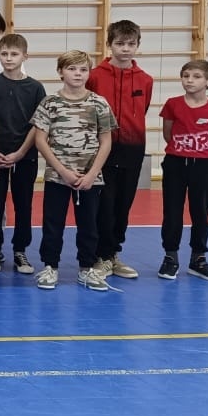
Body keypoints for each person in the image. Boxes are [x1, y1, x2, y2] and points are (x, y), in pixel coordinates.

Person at [31, 50, 117, 291]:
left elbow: (106, 141)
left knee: (89, 225)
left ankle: (86, 268)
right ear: (60, 72)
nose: (78, 74)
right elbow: (40, 140)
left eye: (83, 69)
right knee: (52, 223)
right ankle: (50, 266)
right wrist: (62, 171)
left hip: (90, 178)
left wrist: (92, 174)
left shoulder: (99, 103)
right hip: (57, 177)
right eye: (72, 69)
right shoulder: (50, 103)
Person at [88, 19, 152, 280]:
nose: (125, 49)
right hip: (102, 150)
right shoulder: (94, 76)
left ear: (137, 45)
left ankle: (113, 254)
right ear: (109, 44)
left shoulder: (145, 80)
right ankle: (101, 256)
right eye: (120, 43)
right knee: (104, 205)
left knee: (123, 205)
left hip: (132, 149)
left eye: (131, 44)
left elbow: (143, 109)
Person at [159, 60, 208, 282]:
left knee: (201, 212)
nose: (189, 80)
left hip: (204, 166)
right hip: (176, 163)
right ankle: (170, 257)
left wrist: (205, 157)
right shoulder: (172, 104)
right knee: (172, 211)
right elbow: (168, 133)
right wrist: (183, 151)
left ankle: (198, 259)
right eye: (186, 75)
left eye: (196, 76)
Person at [0, 33, 44, 274]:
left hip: (25, 155)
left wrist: (20, 152)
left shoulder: (35, 88)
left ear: (24, 56)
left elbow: (38, 125)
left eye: (14, 54)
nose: (9, 58)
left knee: (23, 204)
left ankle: (20, 250)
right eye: (4, 54)